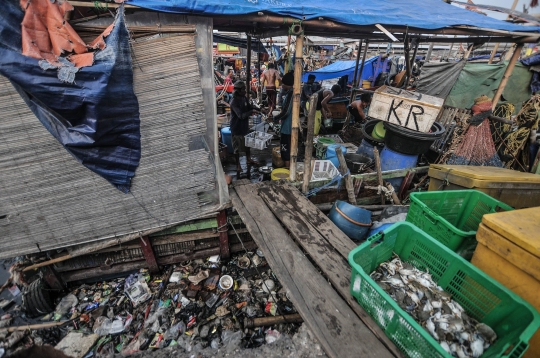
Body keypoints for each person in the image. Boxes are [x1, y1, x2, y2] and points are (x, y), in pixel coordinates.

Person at [229, 81, 259, 171]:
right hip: (236, 127)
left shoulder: (244, 98)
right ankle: (238, 165)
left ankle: (248, 159)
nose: (245, 91)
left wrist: (260, 109)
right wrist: (251, 112)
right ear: (238, 90)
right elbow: (241, 116)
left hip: (244, 126)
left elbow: (250, 107)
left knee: (247, 143)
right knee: (236, 148)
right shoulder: (233, 102)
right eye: (243, 89)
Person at [273, 71, 294, 168]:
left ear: (287, 85)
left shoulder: (291, 94)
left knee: (285, 150)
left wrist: (275, 118)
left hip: (287, 128)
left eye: (283, 84)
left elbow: (286, 112)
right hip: (289, 126)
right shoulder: (291, 93)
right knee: (288, 149)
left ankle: (288, 171)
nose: (282, 86)